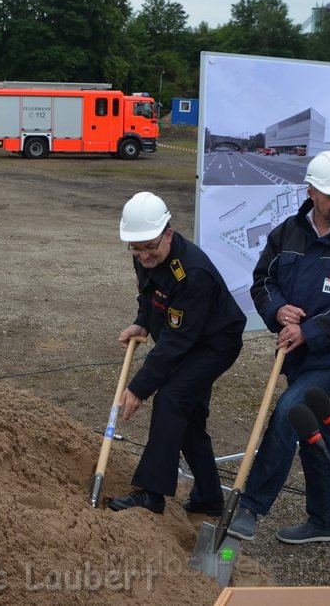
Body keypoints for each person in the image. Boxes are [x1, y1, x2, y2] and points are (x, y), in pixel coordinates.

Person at [228, 151, 330, 544]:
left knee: (290, 410)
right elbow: (263, 281)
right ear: (311, 192)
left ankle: (249, 506)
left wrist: (311, 331)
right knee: (310, 431)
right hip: (297, 353)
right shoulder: (286, 232)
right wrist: (277, 309)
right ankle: (325, 521)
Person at [108, 192, 246, 515]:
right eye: (136, 248)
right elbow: (150, 294)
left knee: (170, 399)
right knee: (188, 418)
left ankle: (152, 494)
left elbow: (176, 342)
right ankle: (210, 497)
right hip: (186, 338)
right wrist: (142, 322)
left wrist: (139, 386)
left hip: (214, 344)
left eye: (150, 247)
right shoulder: (146, 253)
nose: (143, 256)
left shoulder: (192, 273)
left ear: (168, 234)